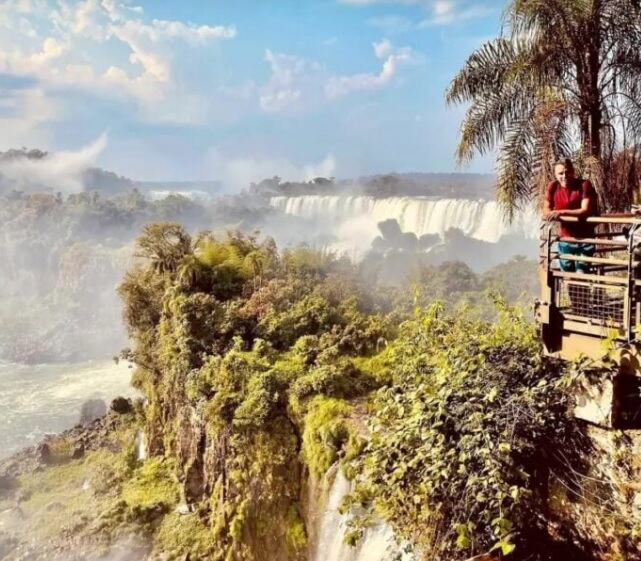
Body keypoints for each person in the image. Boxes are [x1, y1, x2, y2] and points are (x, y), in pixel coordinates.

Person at [543, 158, 598, 273]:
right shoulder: (553, 187)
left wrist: (560, 212)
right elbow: (545, 209)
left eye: (567, 172)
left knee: (581, 273)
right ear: (555, 175)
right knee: (567, 275)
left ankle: (582, 289)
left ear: (573, 172)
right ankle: (571, 291)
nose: (564, 176)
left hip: (585, 239)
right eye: (560, 173)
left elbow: (585, 210)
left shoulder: (584, 185)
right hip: (566, 239)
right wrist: (550, 213)